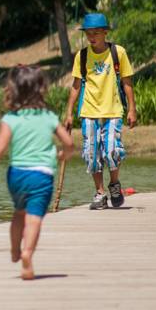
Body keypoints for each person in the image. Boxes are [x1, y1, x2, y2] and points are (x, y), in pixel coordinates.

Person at [0, 65, 75, 280]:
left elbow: (1, 144)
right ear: (41, 89)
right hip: (42, 175)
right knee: (34, 218)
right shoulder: (49, 117)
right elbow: (69, 143)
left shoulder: (10, 119)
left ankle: (15, 249)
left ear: (13, 90)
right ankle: (27, 254)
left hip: (17, 175)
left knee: (19, 212)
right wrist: (64, 155)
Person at [60, 12, 138, 210]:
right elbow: (76, 85)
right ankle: (100, 192)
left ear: (105, 32)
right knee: (91, 154)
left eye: (96, 32)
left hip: (112, 111)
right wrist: (69, 112)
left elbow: (127, 82)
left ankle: (114, 184)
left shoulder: (118, 53)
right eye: (88, 33)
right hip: (89, 111)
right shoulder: (82, 56)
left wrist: (132, 109)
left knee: (112, 150)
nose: (92, 36)